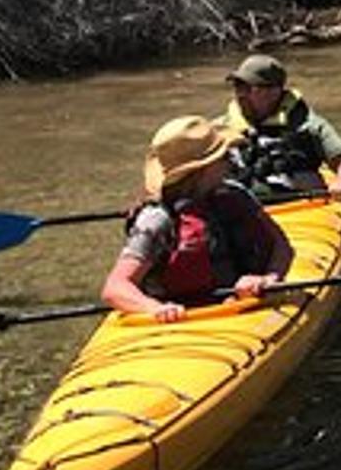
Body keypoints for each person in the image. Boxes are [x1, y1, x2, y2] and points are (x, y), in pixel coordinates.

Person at [103, 116, 293, 323]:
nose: (230, 160)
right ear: (203, 169)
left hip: (241, 304)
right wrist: (155, 308)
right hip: (184, 317)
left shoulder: (236, 195)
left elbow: (281, 245)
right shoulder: (158, 219)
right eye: (223, 156)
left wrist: (270, 278)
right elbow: (115, 287)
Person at [222, 53, 341, 199]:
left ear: (273, 92)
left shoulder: (309, 125)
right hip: (246, 204)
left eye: (248, 88)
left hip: (300, 202)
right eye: (237, 86)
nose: (240, 94)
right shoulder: (223, 127)